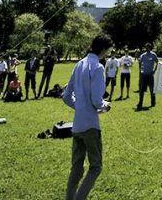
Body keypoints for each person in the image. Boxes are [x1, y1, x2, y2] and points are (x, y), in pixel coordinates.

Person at [62, 33, 112, 200]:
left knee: (76, 167)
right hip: (90, 125)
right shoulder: (97, 67)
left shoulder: (79, 64)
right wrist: (106, 106)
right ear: (103, 49)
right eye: (107, 50)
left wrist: (80, 107)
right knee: (96, 166)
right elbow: (97, 101)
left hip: (77, 125)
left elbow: (66, 95)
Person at [136, 43, 159, 110]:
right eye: (146, 47)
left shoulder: (153, 55)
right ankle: (140, 103)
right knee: (142, 90)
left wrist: (154, 70)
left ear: (150, 47)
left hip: (150, 75)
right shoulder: (143, 55)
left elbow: (157, 62)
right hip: (144, 75)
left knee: (152, 90)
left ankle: (153, 102)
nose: (147, 48)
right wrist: (140, 70)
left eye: (148, 47)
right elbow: (139, 61)